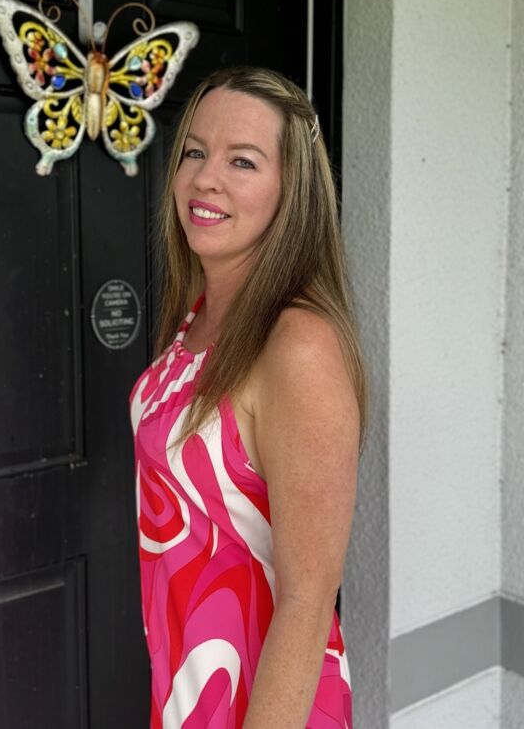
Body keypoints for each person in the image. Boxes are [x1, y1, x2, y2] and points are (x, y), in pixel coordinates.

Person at [129, 66, 366, 728]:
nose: (206, 178)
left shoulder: (299, 345)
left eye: (242, 161)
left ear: (292, 192)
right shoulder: (199, 315)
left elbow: (308, 601)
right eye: (195, 152)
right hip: (190, 681)